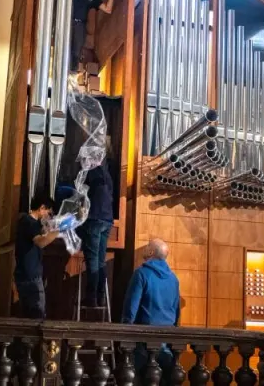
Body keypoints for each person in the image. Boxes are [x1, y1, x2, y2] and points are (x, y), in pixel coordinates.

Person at [123, 239, 180, 384]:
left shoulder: (141, 274)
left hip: (143, 342)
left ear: (151, 252)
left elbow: (131, 309)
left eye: (148, 246)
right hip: (167, 342)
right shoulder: (174, 279)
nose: (145, 248)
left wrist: (124, 335)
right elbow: (177, 311)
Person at [76, 151, 115, 308]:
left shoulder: (90, 173)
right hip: (107, 219)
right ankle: (101, 297)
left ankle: (91, 298)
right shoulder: (106, 174)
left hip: (94, 219)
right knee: (100, 260)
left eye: (84, 159)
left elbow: (81, 198)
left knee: (92, 261)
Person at [14, 196, 59, 319]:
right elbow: (41, 242)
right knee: (37, 316)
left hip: (23, 274)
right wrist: (58, 230)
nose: (48, 217)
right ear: (42, 208)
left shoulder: (26, 222)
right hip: (31, 276)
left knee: (27, 316)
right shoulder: (29, 222)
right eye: (48, 212)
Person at [69, 0, 116, 73]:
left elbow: (108, 9)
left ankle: (70, 74)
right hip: (67, 21)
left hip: (80, 25)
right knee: (63, 47)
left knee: (76, 52)